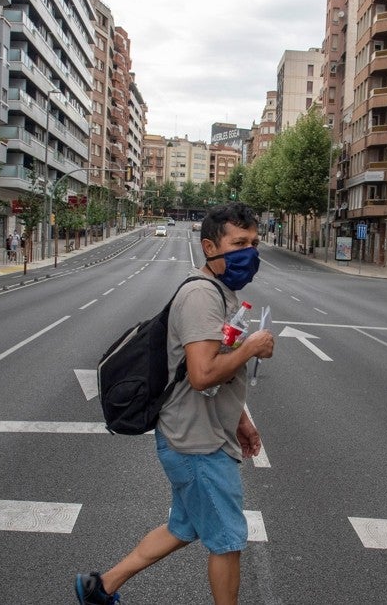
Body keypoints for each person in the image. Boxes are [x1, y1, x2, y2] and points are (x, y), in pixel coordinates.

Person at [75, 202, 275, 605]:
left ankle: (101, 587)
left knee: (182, 528)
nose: (248, 252)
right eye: (238, 243)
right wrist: (251, 347)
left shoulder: (221, 293)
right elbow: (202, 375)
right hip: (197, 442)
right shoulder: (202, 295)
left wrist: (242, 419)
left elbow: (210, 371)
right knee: (228, 542)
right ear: (209, 246)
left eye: (253, 243)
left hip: (199, 432)